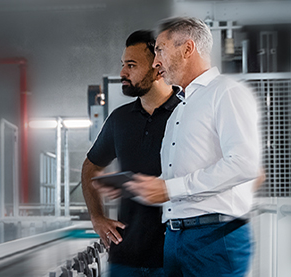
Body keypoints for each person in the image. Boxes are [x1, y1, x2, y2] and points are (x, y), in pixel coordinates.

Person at [124, 17, 262, 276]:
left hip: (214, 237)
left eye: (160, 50)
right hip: (176, 236)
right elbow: (178, 176)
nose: (156, 62)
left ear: (188, 49)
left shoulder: (225, 93)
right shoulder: (180, 110)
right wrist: (143, 188)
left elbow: (243, 163)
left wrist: (170, 188)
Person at [81, 30, 180, 277]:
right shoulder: (120, 120)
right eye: (123, 65)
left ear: (158, 68)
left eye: (131, 65)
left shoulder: (186, 113)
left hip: (174, 258)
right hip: (126, 258)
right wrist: (97, 218)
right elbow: (90, 167)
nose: (123, 73)